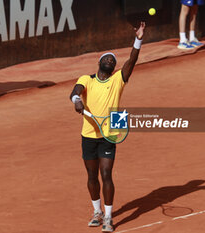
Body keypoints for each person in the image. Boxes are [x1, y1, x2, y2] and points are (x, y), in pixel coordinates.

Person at [69, 22, 145, 232]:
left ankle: (109, 217)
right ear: (100, 62)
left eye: (113, 60)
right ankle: (97, 211)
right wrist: (77, 100)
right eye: (107, 58)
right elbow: (75, 92)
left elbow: (132, 60)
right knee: (92, 176)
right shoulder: (87, 79)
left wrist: (138, 39)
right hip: (89, 134)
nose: (111, 60)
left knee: (106, 174)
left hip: (110, 133)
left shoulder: (118, 80)